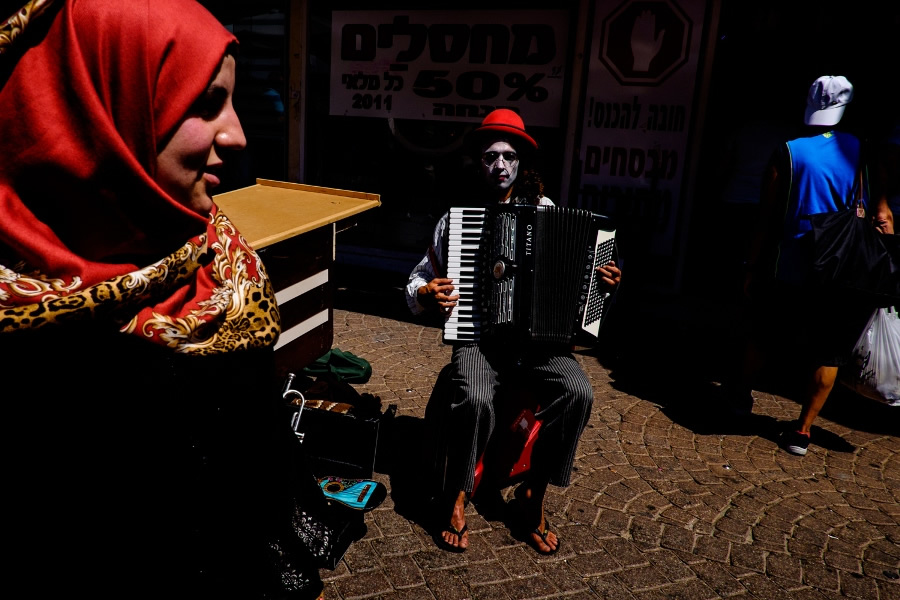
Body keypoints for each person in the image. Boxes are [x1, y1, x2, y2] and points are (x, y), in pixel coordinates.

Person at [0, 1, 324, 598]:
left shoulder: (218, 256)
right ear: (99, 112)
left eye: (232, 100)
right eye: (205, 105)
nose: (238, 134)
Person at [406, 109, 622, 554]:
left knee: (579, 391)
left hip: (538, 345)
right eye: (489, 157)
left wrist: (601, 285)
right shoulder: (457, 219)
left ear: (522, 161)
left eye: (508, 156)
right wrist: (426, 293)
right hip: (479, 338)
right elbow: (418, 279)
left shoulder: (547, 213)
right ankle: (459, 494)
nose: (499, 166)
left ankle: (533, 494)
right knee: (475, 394)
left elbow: (579, 280)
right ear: (477, 163)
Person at [727, 75, 894, 456]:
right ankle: (802, 431)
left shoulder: (788, 151)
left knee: (763, 333)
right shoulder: (864, 152)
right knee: (829, 351)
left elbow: (766, 216)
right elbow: (883, 216)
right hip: (842, 268)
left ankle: (738, 399)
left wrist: (752, 266)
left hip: (791, 265)